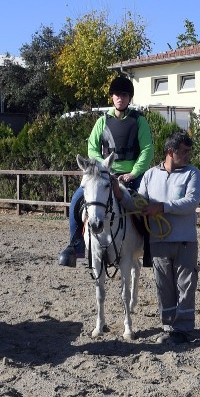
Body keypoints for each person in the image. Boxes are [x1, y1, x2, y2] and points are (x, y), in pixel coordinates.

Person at [59, 75, 154, 266]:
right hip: (105, 173)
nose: (120, 98)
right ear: (112, 96)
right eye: (117, 94)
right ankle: (75, 244)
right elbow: (92, 147)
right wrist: (103, 166)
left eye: (124, 94)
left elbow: (147, 149)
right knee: (76, 200)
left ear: (129, 98)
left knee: (146, 207)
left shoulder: (139, 121)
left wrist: (134, 173)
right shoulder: (102, 121)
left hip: (132, 176)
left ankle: (150, 250)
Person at [121, 131, 200, 344]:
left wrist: (162, 207)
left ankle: (183, 329)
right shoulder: (149, 175)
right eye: (184, 152)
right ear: (170, 152)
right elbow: (137, 204)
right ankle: (169, 327)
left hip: (185, 240)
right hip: (158, 241)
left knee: (186, 284)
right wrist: (119, 192)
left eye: (188, 152)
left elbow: (191, 201)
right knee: (163, 285)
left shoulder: (192, 174)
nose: (188, 156)